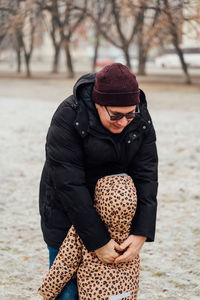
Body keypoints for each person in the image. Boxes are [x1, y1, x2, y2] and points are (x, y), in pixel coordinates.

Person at [39, 63, 158, 299]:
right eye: (115, 115)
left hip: (116, 220)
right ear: (97, 103)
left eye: (130, 114)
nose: (124, 122)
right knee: (67, 293)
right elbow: (69, 184)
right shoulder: (68, 115)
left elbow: (147, 174)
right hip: (65, 215)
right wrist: (98, 241)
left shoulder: (139, 115)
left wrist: (141, 232)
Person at [38, 174, 140, 300]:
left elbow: (65, 264)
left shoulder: (80, 230)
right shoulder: (133, 235)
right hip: (126, 293)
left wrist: (47, 291)